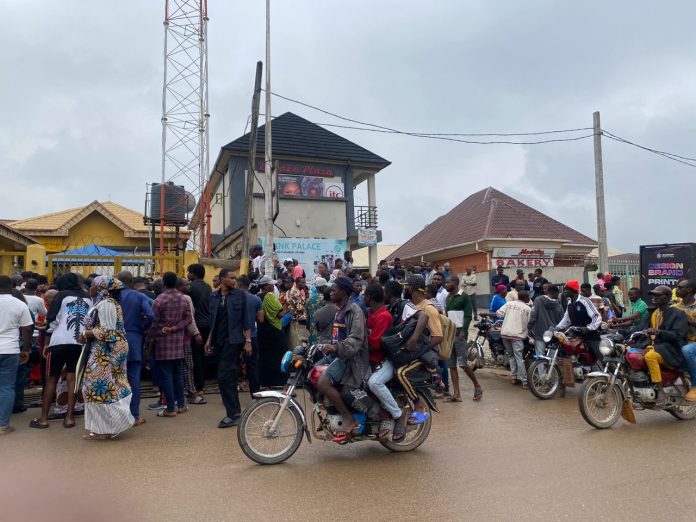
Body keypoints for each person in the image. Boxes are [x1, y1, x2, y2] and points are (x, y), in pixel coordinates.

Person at [31, 273, 92, 429]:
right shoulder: (88, 298)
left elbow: (52, 320)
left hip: (59, 343)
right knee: (73, 380)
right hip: (80, 343)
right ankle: (69, 418)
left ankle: (43, 419)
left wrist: (46, 343)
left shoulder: (61, 295)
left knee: (51, 379)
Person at [315, 276, 371, 442]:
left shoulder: (354, 310)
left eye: (334, 288)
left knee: (323, 383)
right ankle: (331, 413)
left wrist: (336, 347)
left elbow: (356, 338)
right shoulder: (339, 309)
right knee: (312, 372)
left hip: (352, 358)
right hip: (339, 354)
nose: (331, 291)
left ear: (344, 292)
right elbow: (336, 337)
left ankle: (348, 418)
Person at [80, 276, 135, 440]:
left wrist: (85, 334)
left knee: (101, 387)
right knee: (101, 387)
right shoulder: (105, 303)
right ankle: (102, 429)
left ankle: (107, 429)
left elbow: (108, 332)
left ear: (101, 288)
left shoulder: (107, 305)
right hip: (103, 349)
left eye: (92, 286)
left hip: (106, 351)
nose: (90, 288)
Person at [207, 269, 252, 428]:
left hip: (234, 341)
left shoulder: (240, 295)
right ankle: (236, 411)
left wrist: (248, 341)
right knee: (230, 375)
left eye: (235, 278)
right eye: (231, 278)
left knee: (223, 376)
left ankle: (232, 413)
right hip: (218, 341)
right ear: (222, 279)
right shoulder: (213, 296)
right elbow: (212, 322)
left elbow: (247, 320)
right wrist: (209, 340)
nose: (234, 281)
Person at [149, 272, 192, 419]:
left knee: (166, 375)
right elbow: (188, 319)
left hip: (162, 342)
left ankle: (170, 408)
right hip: (178, 341)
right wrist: (174, 328)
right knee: (178, 374)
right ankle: (181, 405)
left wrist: (149, 341)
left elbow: (154, 323)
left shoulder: (159, 300)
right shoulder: (183, 298)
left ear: (163, 284)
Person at [364, 284, 404, 439]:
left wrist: (362, 339)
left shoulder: (383, 316)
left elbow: (374, 345)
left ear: (369, 297)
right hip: (371, 359)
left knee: (374, 383)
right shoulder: (371, 313)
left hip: (385, 359)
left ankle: (397, 414)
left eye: (365, 295)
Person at [115, 271, 154, 426]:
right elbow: (150, 315)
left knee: (116, 379)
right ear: (130, 281)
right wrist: (141, 328)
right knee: (133, 379)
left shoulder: (110, 297)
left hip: (114, 340)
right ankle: (135, 415)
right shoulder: (139, 296)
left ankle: (118, 416)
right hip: (133, 339)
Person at [642, 285, 688, 407]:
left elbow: (678, 335)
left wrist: (659, 332)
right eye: (653, 295)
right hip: (651, 345)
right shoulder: (652, 312)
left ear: (667, 297)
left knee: (650, 357)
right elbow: (639, 329)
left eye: (658, 295)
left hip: (669, 350)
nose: (654, 297)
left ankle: (660, 390)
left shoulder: (678, 314)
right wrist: (619, 330)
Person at [0, 276, 33, 435]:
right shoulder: (19, 304)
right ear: (12, 287)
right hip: (10, 350)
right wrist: (26, 349)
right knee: (7, 387)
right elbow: (27, 329)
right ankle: (2, 426)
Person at [444, 275, 481, 401]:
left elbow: (468, 315)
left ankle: (477, 386)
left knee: (463, 364)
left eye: (447, 282)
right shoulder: (448, 297)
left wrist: (464, 331)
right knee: (451, 366)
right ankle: (457, 394)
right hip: (449, 335)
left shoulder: (464, 296)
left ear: (454, 283)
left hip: (460, 334)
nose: (446, 284)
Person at [555, 280, 602, 364]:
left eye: (566, 289)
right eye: (564, 289)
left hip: (590, 335)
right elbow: (566, 319)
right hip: (576, 335)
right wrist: (557, 328)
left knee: (601, 357)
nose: (564, 291)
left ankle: (613, 373)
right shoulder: (569, 303)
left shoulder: (584, 301)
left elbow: (596, 316)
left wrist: (589, 328)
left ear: (573, 290)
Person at [256, 276, 289, 389]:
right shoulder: (270, 296)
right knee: (280, 356)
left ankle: (266, 383)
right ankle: (281, 383)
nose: (273, 286)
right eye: (271, 284)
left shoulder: (257, 297)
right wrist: (287, 306)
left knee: (265, 357)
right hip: (274, 330)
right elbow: (280, 314)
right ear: (266, 286)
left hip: (262, 331)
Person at [187, 263, 212, 405]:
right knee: (203, 355)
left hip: (195, 326)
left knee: (195, 357)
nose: (187, 274)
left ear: (194, 274)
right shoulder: (208, 287)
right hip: (207, 324)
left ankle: (198, 386)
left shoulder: (190, 288)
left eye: (189, 272)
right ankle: (202, 385)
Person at [497, 290, 532, 388]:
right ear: (526, 298)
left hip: (505, 334)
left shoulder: (509, 304)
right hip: (517, 335)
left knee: (511, 355)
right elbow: (530, 323)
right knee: (519, 358)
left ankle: (514, 378)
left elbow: (499, 313)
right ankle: (525, 382)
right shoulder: (528, 309)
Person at [236, 275, 263, 396]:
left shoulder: (233, 298)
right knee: (252, 365)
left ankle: (232, 392)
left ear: (239, 285)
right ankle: (255, 392)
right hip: (252, 336)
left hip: (235, 336)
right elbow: (261, 319)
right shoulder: (256, 299)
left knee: (233, 365)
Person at [177, 277, 202, 401]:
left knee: (177, 367)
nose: (190, 287)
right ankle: (192, 393)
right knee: (188, 366)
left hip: (171, 339)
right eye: (187, 284)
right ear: (180, 286)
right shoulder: (186, 298)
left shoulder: (164, 297)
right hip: (185, 338)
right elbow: (190, 318)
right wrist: (196, 333)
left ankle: (179, 394)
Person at [675, 280, 696, 401]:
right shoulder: (674, 306)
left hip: (693, 342)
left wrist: (688, 321)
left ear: (689, 290)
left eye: (679, 287)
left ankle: (695, 386)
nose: (676, 289)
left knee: (687, 350)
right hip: (679, 341)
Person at [529, 285, 564, 356]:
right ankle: (551, 367)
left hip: (539, 332)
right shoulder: (559, 306)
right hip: (553, 334)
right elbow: (562, 321)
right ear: (556, 293)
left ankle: (540, 367)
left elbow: (533, 315)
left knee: (539, 356)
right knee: (551, 357)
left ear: (547, 292)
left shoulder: (538, 300)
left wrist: (530, 327)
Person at [306, 277, 328, 345]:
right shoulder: (326, 299)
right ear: (323, 287)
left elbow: (307, 316)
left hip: (312, 328)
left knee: (313, 349)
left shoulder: (309, 299)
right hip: (323, 329)